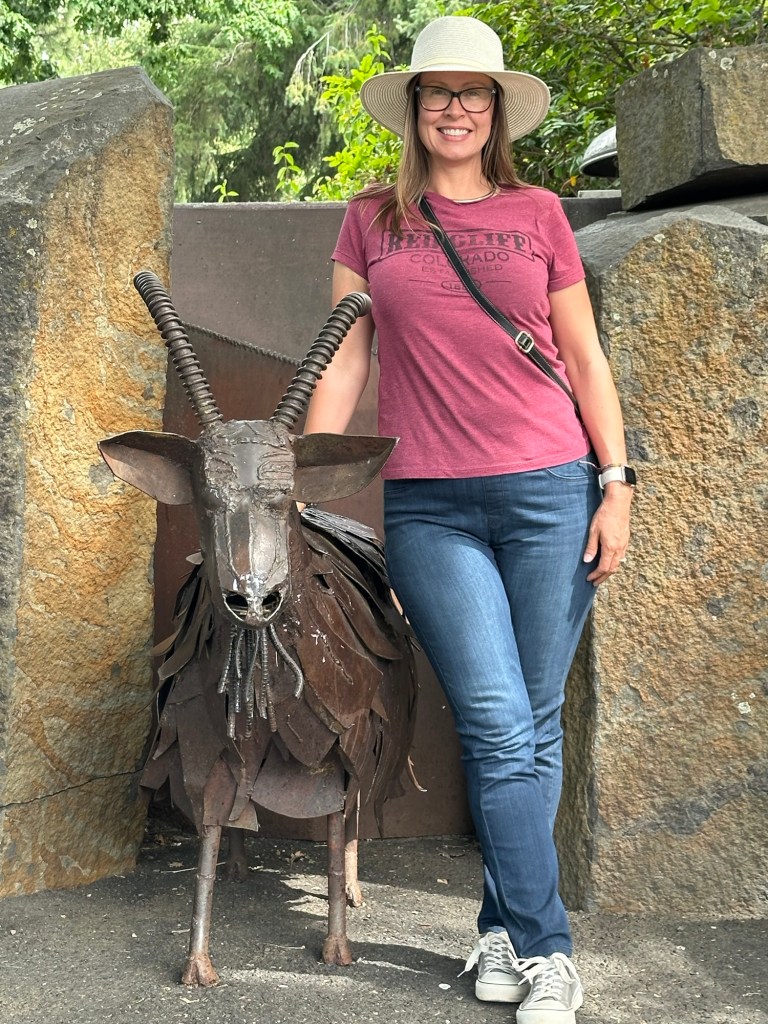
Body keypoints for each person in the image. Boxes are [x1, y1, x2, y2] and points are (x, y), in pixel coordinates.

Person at [303, 15, 634, 1024]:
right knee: (498, 724)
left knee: (529, 729)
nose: (455, 107)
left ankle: (499, 932)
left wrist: (616, 481)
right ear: (414, 110)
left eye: (474, 94)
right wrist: (299, 481)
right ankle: (550, 950)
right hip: (431, 503)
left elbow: (582, 358)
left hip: (551, 489)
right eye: (438, 92)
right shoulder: (371, 220)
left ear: (496, 113)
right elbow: (347, 356)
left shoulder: (540, 213)